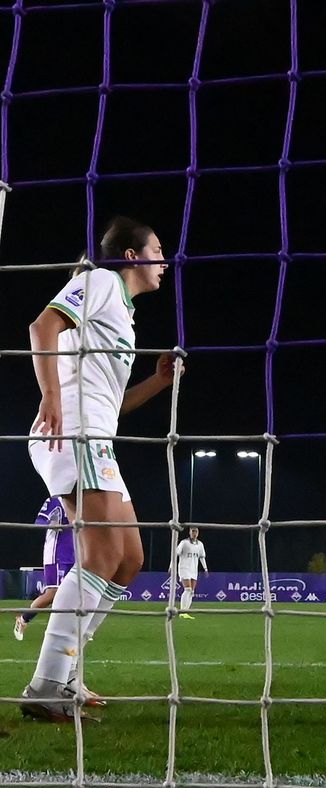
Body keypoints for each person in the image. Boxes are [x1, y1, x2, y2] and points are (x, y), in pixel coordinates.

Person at [21, 217, 178, 721]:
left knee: (128, 558)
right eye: (158, 249)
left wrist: (157, 383)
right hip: (74, 435)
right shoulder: (101, 280)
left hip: (96, 436)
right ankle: (47, 684)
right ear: (131, 255)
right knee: (103, 553)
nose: (165, 260)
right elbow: (41, 325)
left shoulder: (123, 314)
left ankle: (65, 674)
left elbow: (112, 404)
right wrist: (52, 399)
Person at [14, 497, 77, 641]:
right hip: (56, 555)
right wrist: (54, 524)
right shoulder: (54, 501)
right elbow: (40, 522)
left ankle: (73, 628)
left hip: (74, 555)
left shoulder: (79, 502)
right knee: (52, 593)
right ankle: (23, 619)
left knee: (75, 592)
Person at [174, 526, 208, 620]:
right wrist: (171, 566)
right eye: (193, 531)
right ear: (189, 532)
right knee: (188, 589)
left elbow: (202, 557)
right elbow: (176, 554)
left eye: (196, 531)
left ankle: (186, 611)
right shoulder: (184, 543)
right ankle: (182, 611)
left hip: (194, 570)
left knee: (192, 592)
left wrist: (205, 569)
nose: (194, 533)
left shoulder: (200, 544)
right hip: (184, 568)